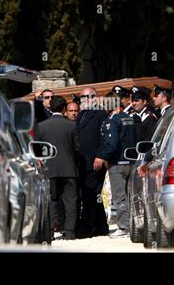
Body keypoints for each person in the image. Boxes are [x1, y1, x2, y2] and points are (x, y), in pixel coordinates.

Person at [35, 96, 79, 240]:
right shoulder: (72, 125)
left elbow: (38, 149)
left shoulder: (42, 126)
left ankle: (50, 232)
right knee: (71, 201)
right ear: (64, 109)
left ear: (50, 108)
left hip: (50, 169)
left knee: (51, 201)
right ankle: (70, 232)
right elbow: (78, 148)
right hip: (69, 169)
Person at [98, 92, 136, 238]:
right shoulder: (130, 118)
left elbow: (111, 144)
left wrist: (104, 157)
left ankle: (124, 228)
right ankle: (132, 225)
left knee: (119, 197)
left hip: (117, 163)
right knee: (130, 195)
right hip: (130, 161)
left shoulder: (111, 120)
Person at [76, 87, 109, 237]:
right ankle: (101, 226)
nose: (86, 99)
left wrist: (100, 156)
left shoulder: (101, 113)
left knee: (90, 195)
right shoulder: (82, 114)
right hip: (83, 162)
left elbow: (105, 137)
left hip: (95, 160)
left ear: (96, 98)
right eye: (83, 97)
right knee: (92, 194)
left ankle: (85, 228)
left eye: (90, 96)